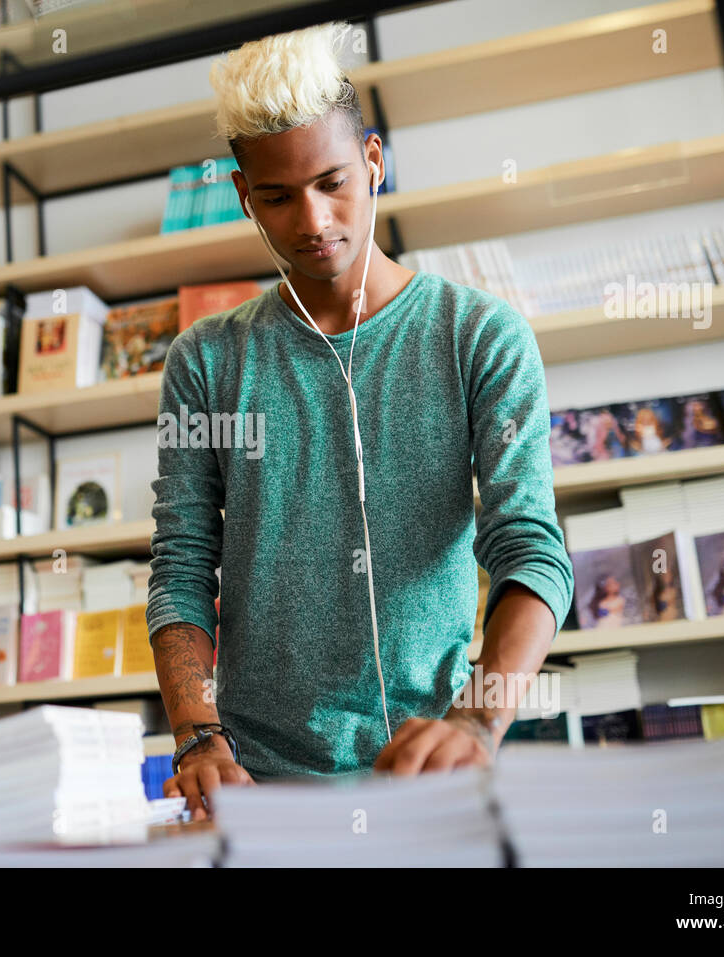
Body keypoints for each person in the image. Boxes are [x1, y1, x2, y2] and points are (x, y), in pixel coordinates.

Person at [145, 22, 573, 820]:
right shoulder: (202, 363)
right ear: (245, 198)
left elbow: (532, 552)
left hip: (430, 770)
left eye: (333, 181)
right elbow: (181, 567)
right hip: (258, 788)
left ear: (374, 163)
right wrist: (197, 734)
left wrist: (478, 720)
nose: (311, 219)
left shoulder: (479, 336)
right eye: (276, 195)